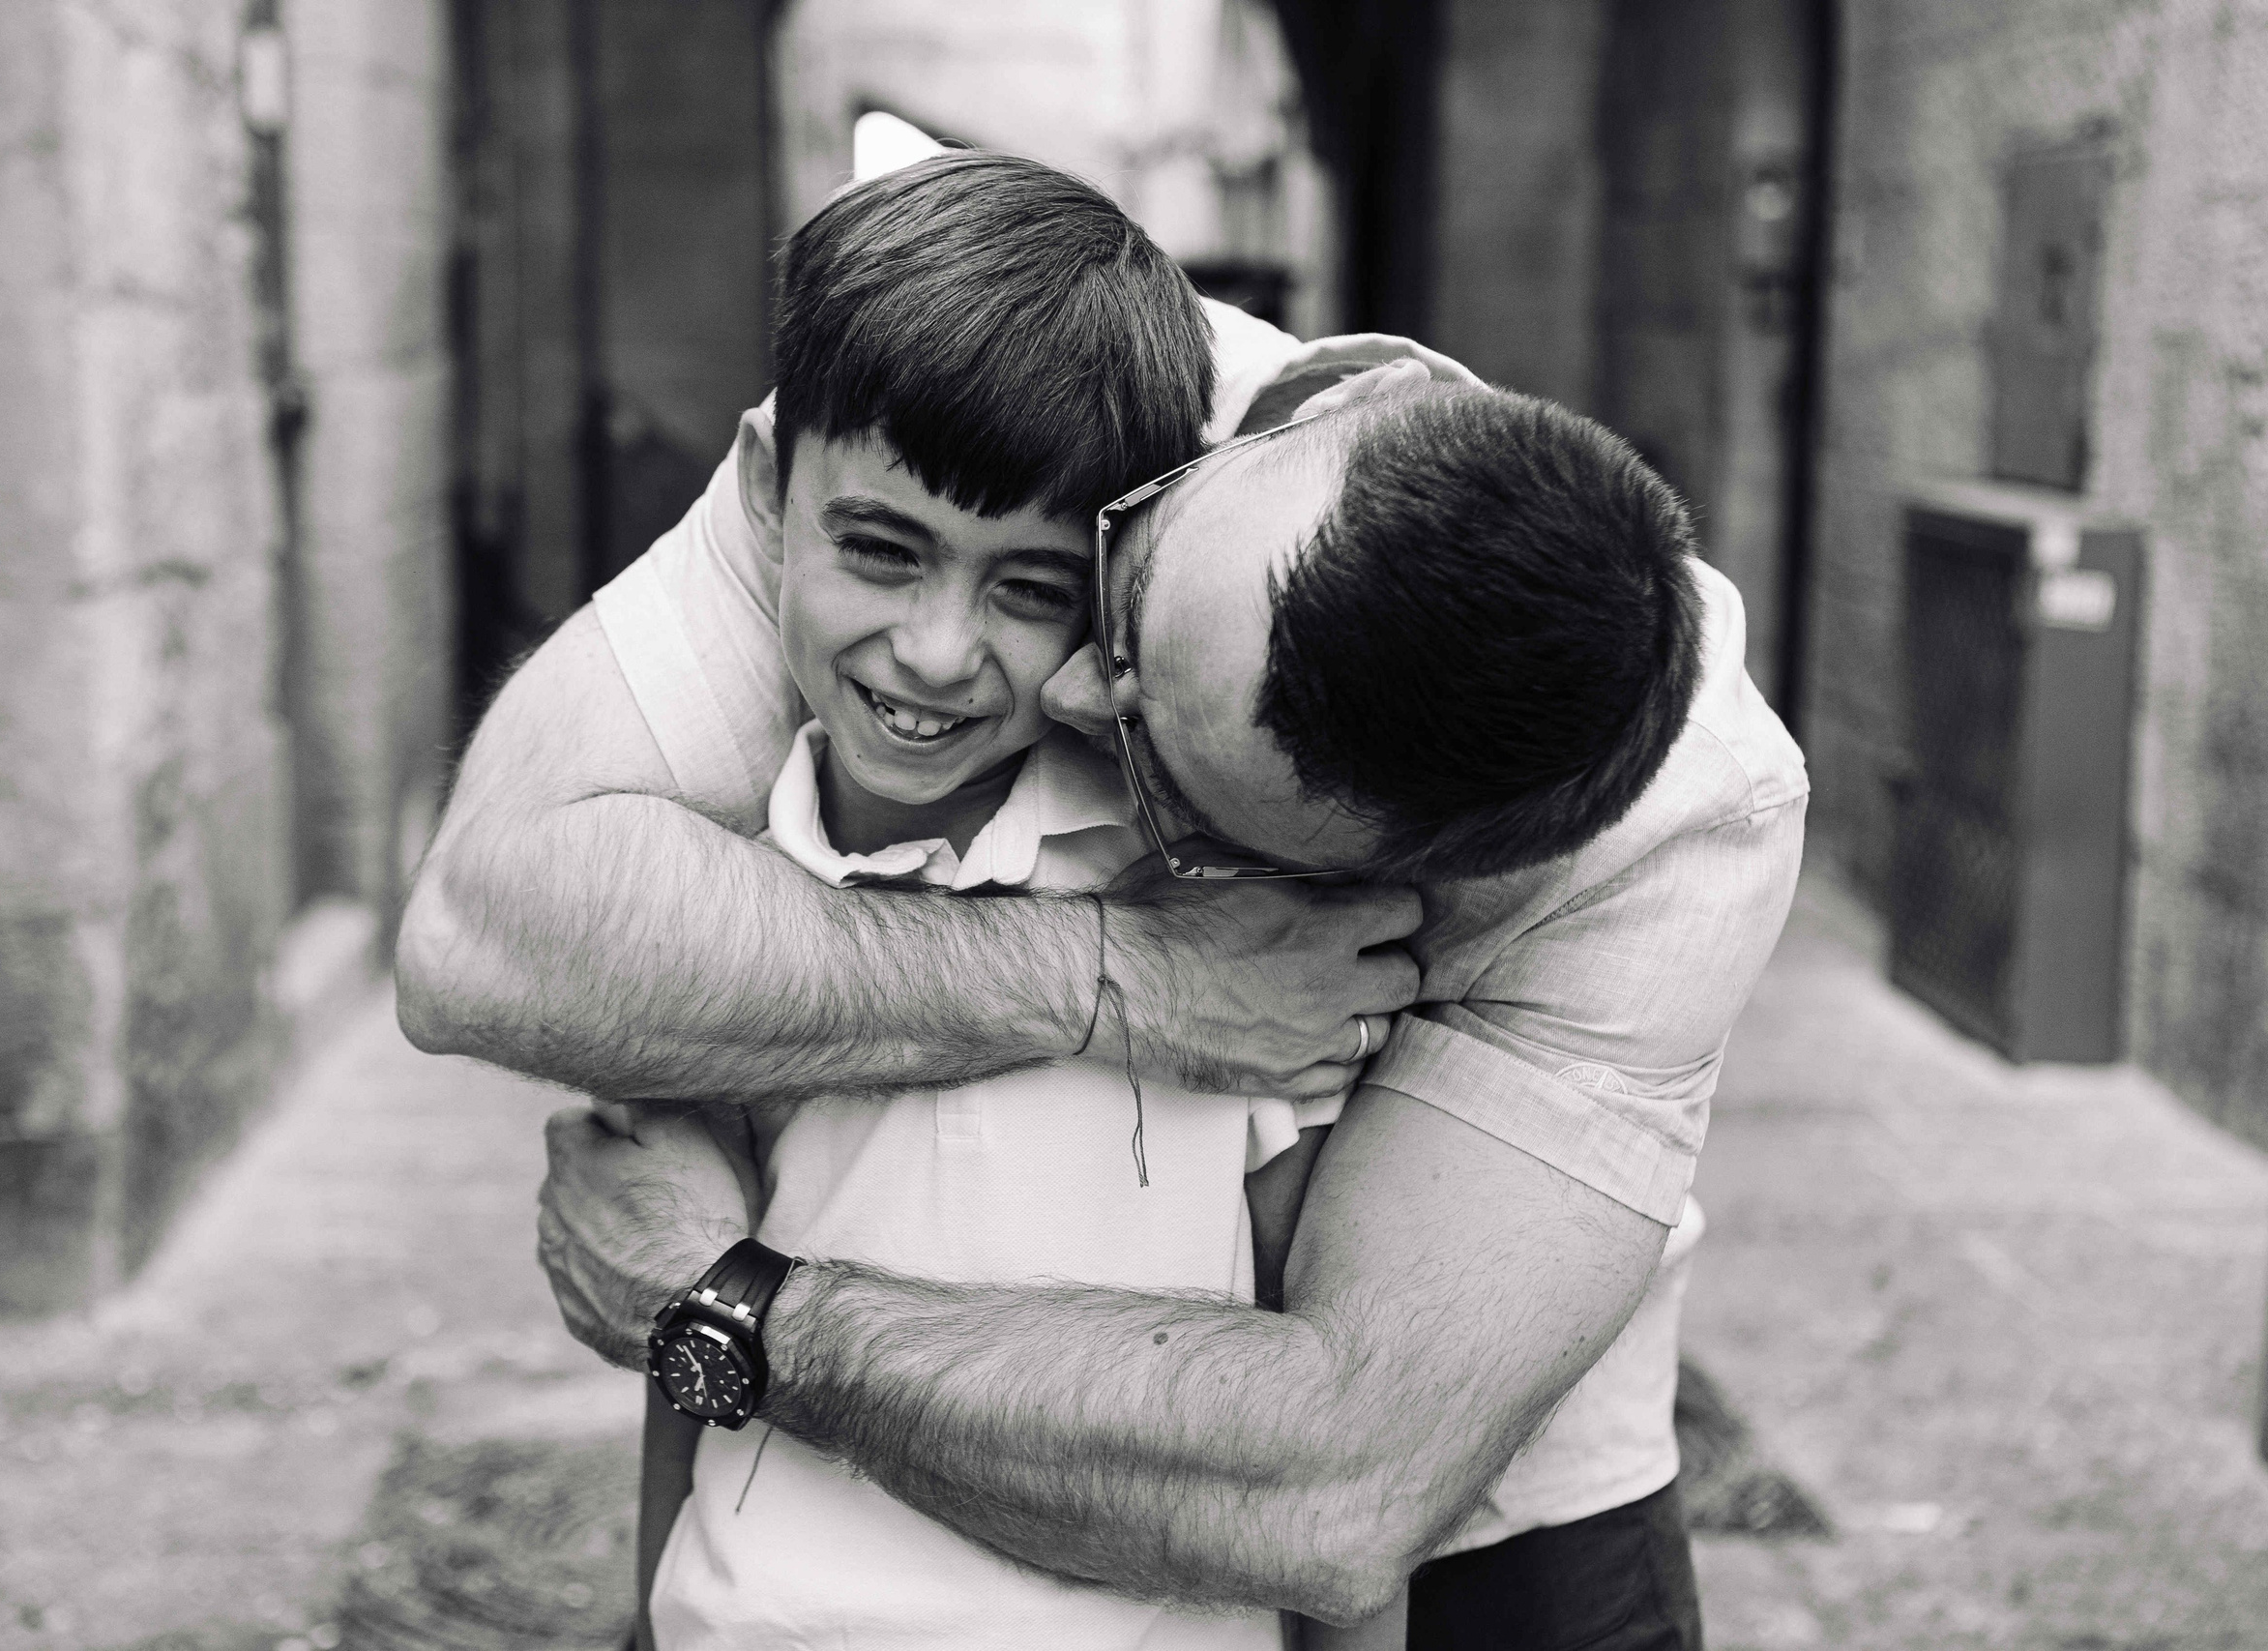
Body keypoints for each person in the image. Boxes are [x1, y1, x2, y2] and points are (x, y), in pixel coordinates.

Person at [402, 167, 1807, 1651]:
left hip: (1485, 1485)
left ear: (1412, 877)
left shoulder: (1675, 831)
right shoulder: (1071, 398)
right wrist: (1114, 973)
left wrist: (733, 1313)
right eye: (1118, 606)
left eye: (1148, 760)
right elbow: (487, 932)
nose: (1068, 689)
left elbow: (1335, 1497)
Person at [615, 151, 1341, 1651]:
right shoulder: (703, 885)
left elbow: (1316, 1389)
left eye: (1027, 588)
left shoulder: (1222, 911)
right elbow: (675, 1338)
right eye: (881, 552)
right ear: (767, 493)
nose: (938, 654)